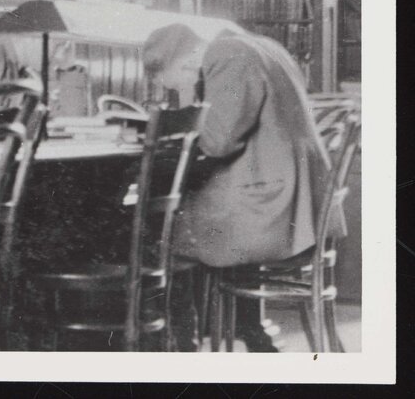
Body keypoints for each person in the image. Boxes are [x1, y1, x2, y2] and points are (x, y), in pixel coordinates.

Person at [143, 22, 337, 351]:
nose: (178, 88)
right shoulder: (262, 45)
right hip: (296, 201)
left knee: (161, 232)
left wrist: (182, 128)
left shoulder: (226, 54)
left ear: (181, 62)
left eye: (171, 82)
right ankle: (253, 332)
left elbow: (219, 142)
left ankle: (179, 348)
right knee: (185, 213)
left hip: (271, 206)